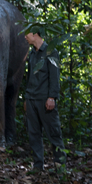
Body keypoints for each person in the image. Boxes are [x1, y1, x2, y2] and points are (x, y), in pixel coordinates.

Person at [24, 26, 65, 172]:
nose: (25, 37)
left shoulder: (50, 51)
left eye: (26, 34)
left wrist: (52, 97)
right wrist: (26, 98)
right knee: (33, 133)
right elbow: (29, 78)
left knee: (53, 132)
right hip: (32, 99)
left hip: (45, 99)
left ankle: (60, 166)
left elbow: (54, 76)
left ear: (35, 34)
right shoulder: (32, 54)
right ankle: (37, 166)